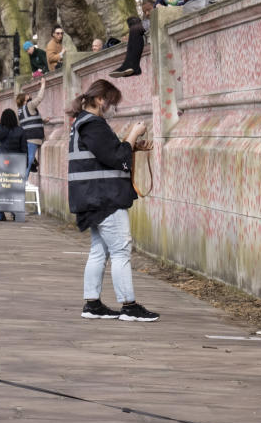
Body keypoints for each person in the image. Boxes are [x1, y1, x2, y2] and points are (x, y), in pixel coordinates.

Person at [67, 80, 160, 323]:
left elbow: (107, 155)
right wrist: (133, 135)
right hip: (104, 197)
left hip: (93, 196)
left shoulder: (82, 124)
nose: (112, 107)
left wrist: (132, 147)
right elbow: (116, 157)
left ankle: (93, 303)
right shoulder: (93, 125)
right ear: (100, 100)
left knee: (100, 250)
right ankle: (128, 305)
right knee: (120, 250)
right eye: (110, 102)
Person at [15, 74, 47, 182]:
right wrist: (43, 85)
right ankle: (23, 182)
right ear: (24, 99)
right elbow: (40, 98)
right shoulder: (29, 105)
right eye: (26, 95)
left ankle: (23, 178)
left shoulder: (20, 110)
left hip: (26, 138)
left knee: (28, 159)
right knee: (29, 160)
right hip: (33, 138)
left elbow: (27, 122)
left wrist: (42, 121)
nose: (28, 95)